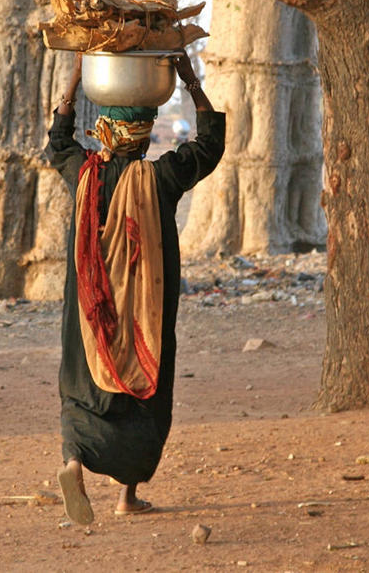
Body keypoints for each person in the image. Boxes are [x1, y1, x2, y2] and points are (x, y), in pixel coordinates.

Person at [45, 51, 225, 523]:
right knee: (142, 392)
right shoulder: (160, 178)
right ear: (143, 135)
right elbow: (209, 146)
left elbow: (57, 142)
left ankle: (73, 463)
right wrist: (189, 79)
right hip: (146, 308)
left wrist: (75, 79)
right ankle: (127, 497)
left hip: (88, 308)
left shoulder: (82, 175)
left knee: (82, 385)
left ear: (104, 130)